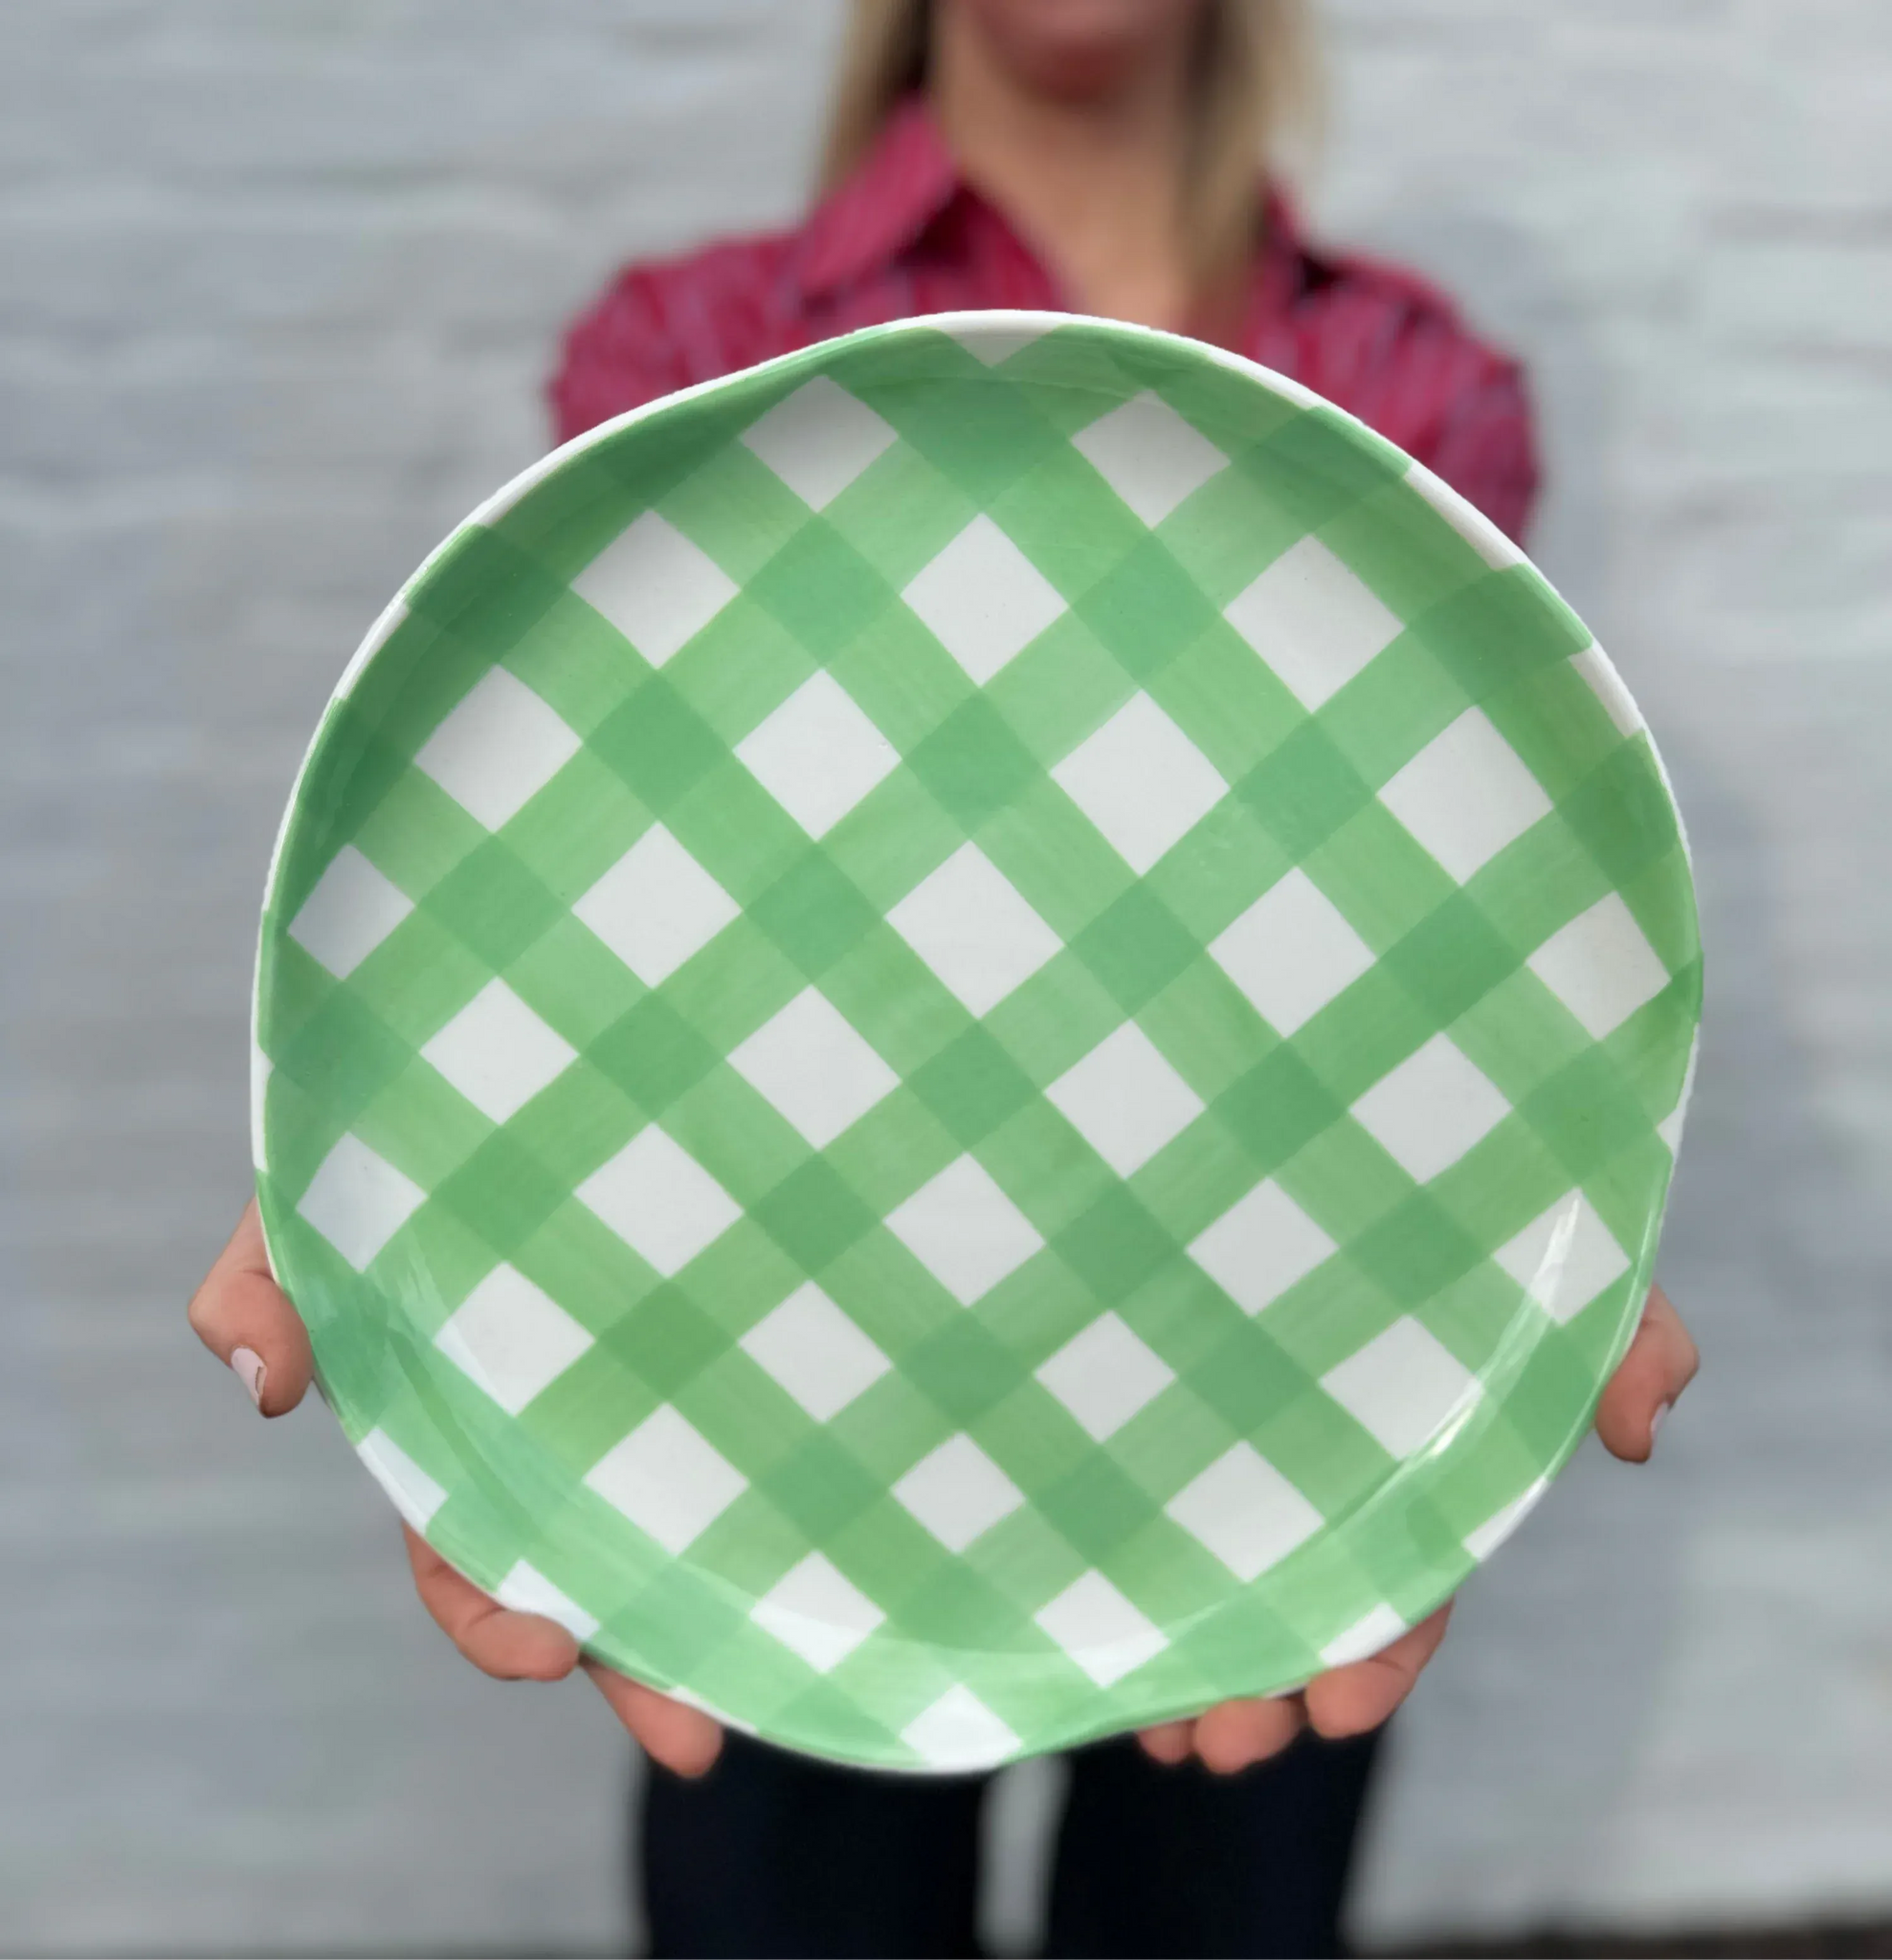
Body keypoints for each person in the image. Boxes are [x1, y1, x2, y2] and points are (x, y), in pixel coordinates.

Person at [190, 2, 1703, 1954]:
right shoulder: (695, 341)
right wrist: (395, 1178)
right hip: (763, 1412)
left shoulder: (1409, 382)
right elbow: (557, 894)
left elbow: (1474, 940)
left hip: (1270, 1419)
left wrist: (1544, 1223)